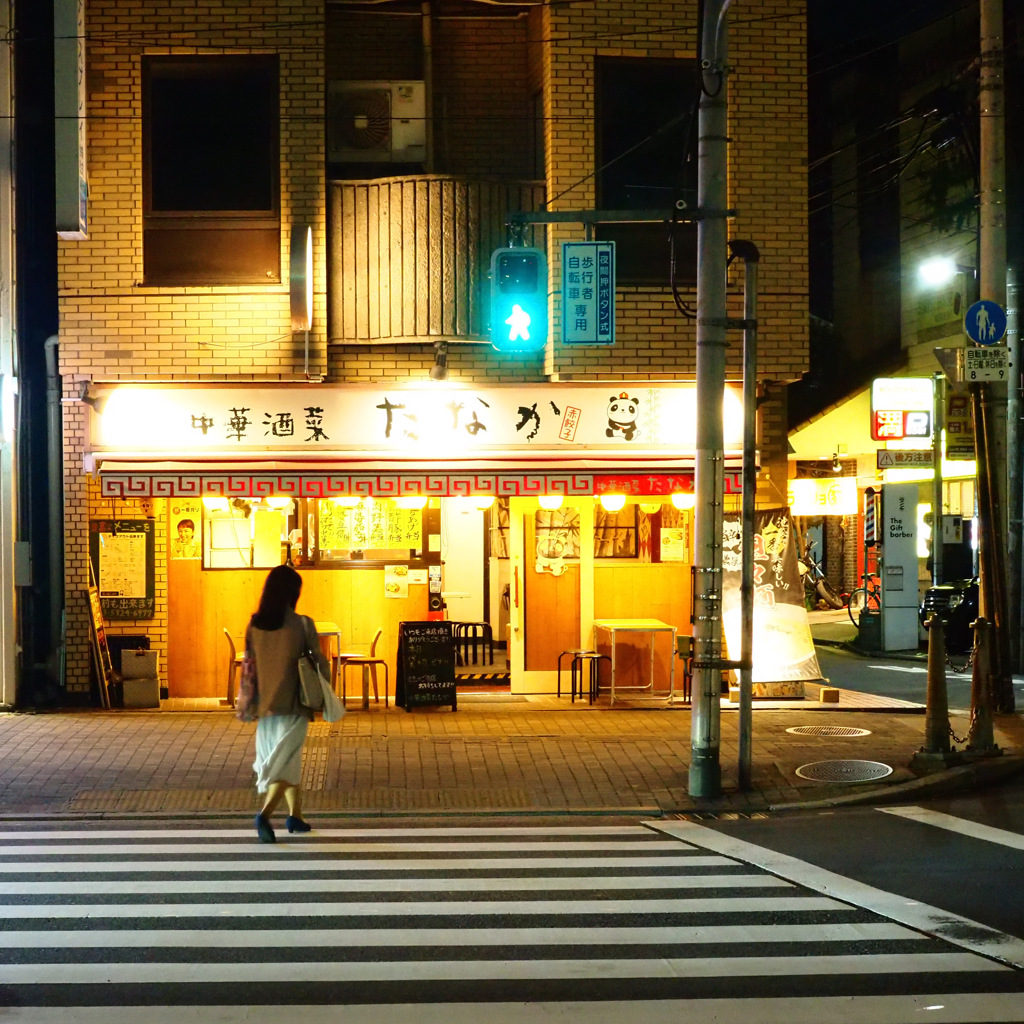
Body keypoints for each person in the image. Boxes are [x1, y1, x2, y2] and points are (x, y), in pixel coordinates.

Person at [245, 563, 330, 843]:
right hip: (295, 703)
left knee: (285, 759)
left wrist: (247, 704)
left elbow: (248, 669)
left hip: (265, 707)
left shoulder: (254, 624)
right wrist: (326, 693)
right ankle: (265, 814)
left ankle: (296, 815)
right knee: (284, 763)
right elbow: (319, 662)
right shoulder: (302, 624)